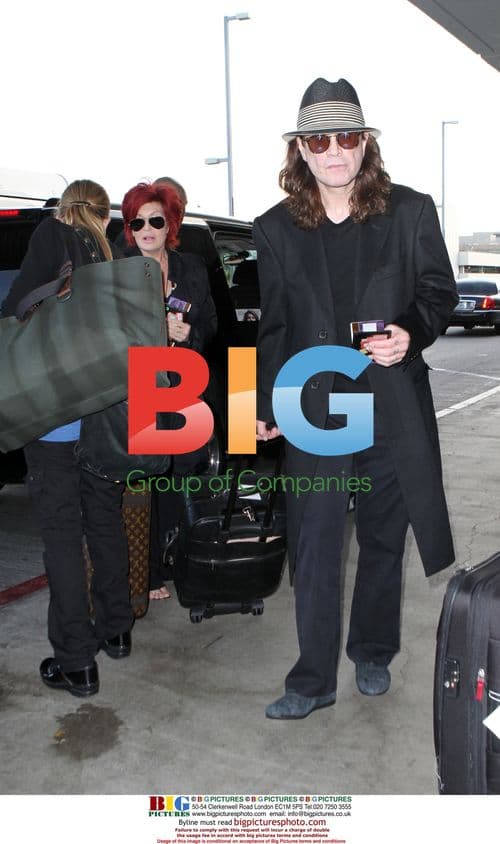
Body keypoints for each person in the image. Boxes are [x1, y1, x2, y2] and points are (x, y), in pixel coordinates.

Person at [254, 77, 458, 720]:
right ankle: (311, 680)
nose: (333, 150)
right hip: (316, 410)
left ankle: (372, 650)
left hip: (389, 405)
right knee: (312, 543)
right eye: (319, 138)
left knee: (382, 540)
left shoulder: (411, 210)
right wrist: (254, 408)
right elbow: (272, 327)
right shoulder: (274, 228)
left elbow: (437, 292)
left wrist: (412, 332)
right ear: (301, 151)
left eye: (346, 136)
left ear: (364, 143)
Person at [2, 179, 134, 697]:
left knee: (62, 536)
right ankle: (117, 630)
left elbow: (16, 307)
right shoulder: (110, 256)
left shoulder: (53, 237)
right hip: (102, 417)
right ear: (102, 215)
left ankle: (77, 661)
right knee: (104, 523)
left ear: (65, 208)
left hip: (54, 418)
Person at [121, 182, 217, 600]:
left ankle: (184, 561)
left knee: (184, 475)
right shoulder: (117, 270)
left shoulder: (190, 268)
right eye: (136, 221)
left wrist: (189, 330)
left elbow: (213, 323)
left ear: (169, 224)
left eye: (155, 220)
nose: (146, 228)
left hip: (182, 384)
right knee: (147, 478)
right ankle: (151, 571)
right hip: (138, 386)